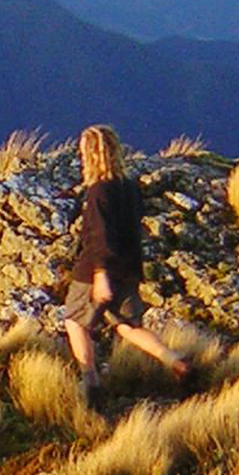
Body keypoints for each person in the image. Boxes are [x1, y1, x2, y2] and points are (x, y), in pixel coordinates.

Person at [61, 124, 190, 407]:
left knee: (75, 321)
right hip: (128, 268)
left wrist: (100, 275)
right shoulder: (129, 187)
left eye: (83, 152)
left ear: (91, 155)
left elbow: (100, 236)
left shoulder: (98, 191)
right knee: (126, 325)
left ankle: (91, 383)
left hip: (95, 270)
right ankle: (176, 362)